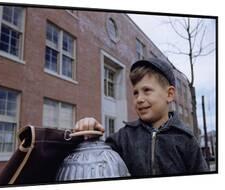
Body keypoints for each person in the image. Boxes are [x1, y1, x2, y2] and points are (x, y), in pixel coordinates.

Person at [74, 58, 209, 177]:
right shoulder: (123, 137)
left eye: (147, 91)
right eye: (135, 93)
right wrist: (90, 134)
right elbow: (96, 159)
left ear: (169, 94)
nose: (139, 99)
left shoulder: (186, 138)